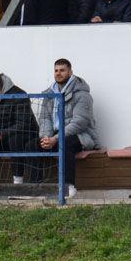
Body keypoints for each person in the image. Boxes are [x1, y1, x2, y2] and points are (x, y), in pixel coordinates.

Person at [37, 58, 99, 197]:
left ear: (70, 73)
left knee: (64, 144)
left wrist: (55, 139)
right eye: (56, 70)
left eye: (62, 70)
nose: (58, 73)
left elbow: (79, 123)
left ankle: (69, 186)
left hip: (81, 135)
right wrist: (46, 137)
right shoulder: (49, 94)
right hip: (54, 135)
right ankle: (34, 186)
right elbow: (44, 119)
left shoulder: (82, 95)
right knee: (32, 145)